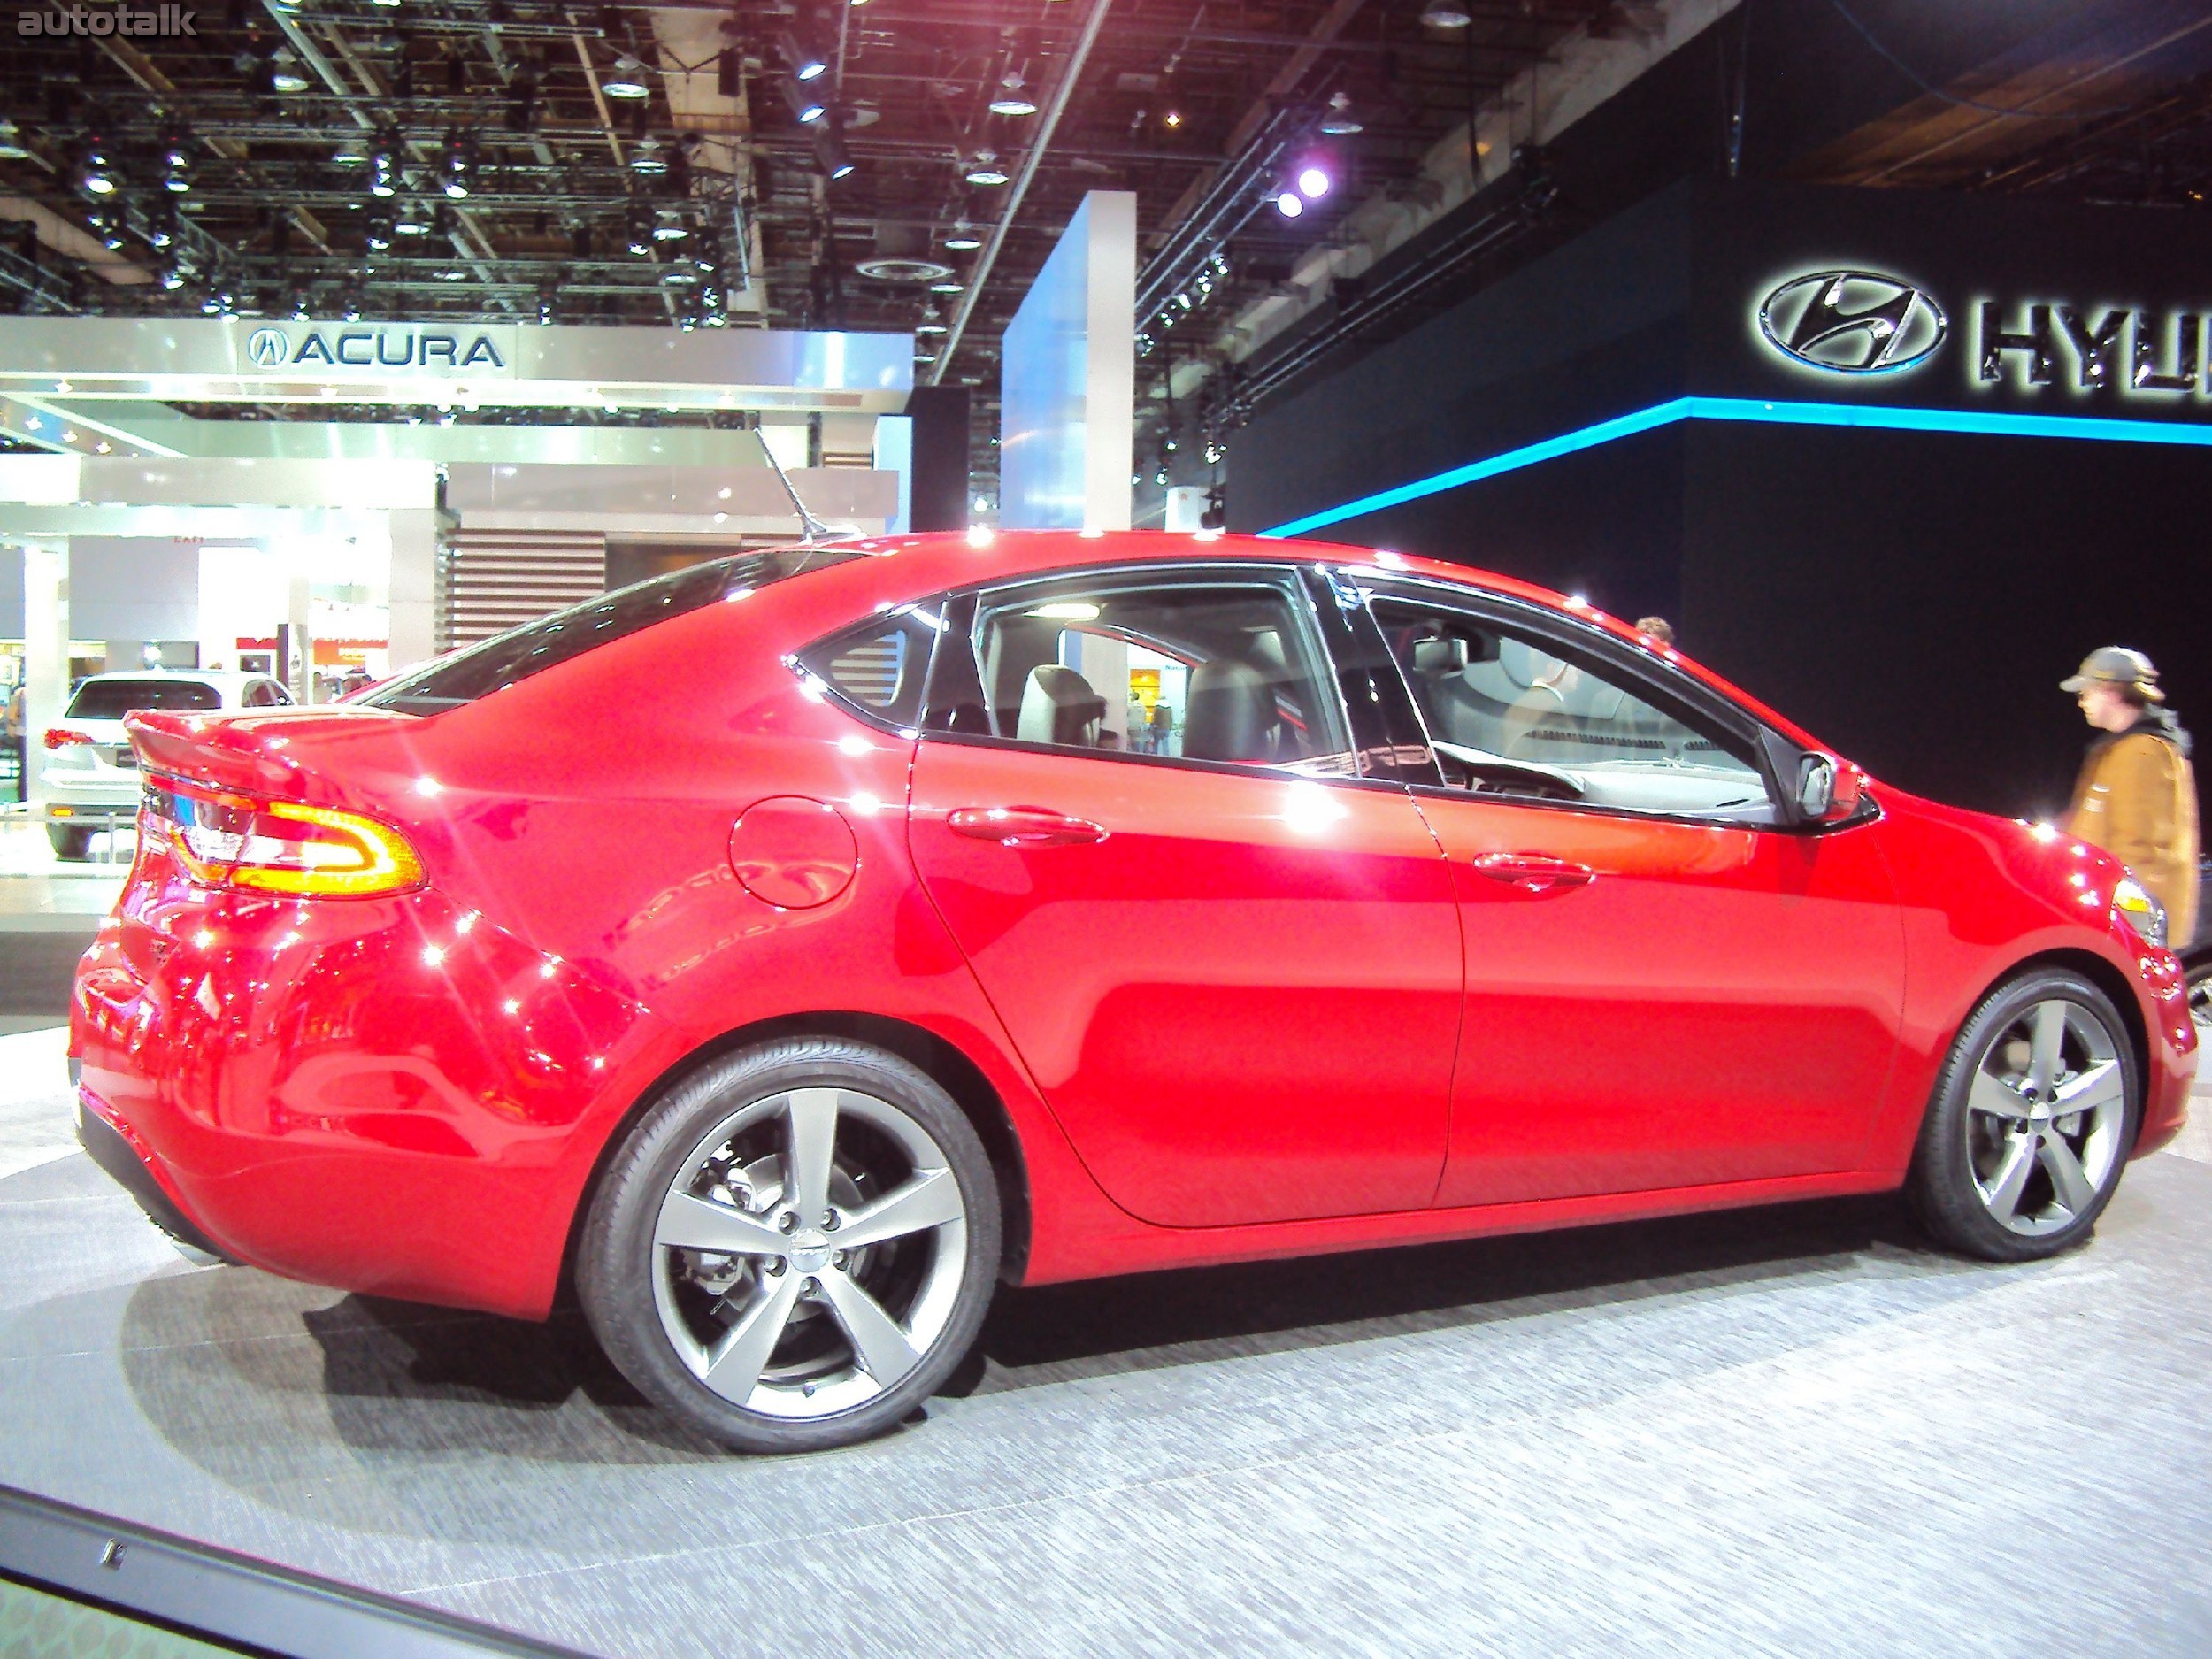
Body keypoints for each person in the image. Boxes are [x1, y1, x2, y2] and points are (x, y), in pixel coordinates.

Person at [2061, 646, 2199, 947]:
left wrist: (2125, 927)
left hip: (2128, 930)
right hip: (2111, 920)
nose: (2081, 701)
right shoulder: (2120, 751)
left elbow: (2140, 849)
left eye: (2086, 692)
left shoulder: (2143, 753)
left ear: (2110, 690)